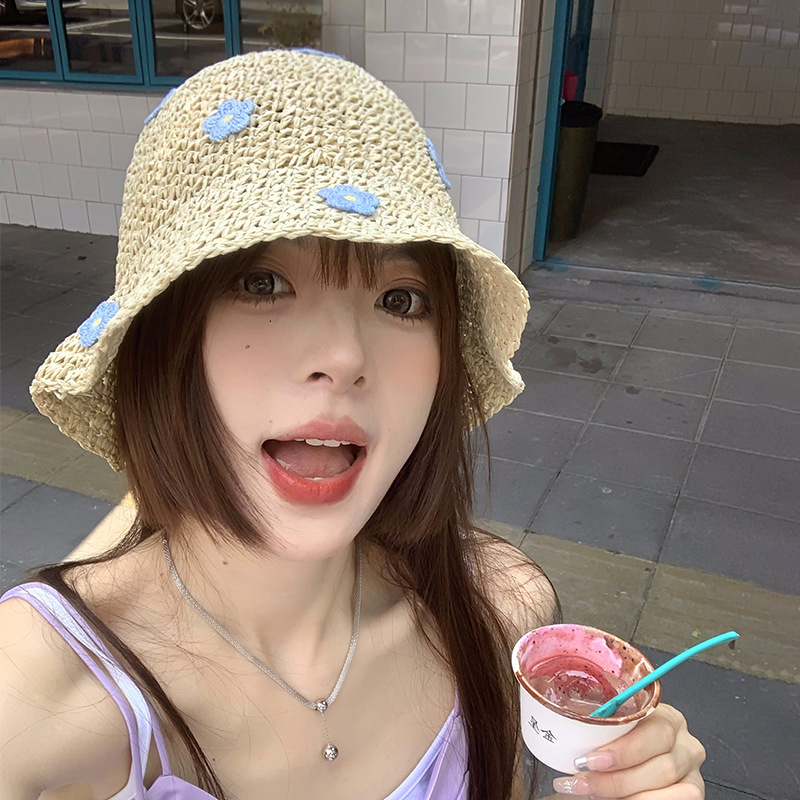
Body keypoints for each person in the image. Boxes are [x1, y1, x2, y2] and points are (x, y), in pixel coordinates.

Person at [0, 50, 705, 800]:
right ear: (161, 340)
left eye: (401, 300)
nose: (344, 357)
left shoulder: (498, 610)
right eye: (262, 283)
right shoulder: (34, 698)